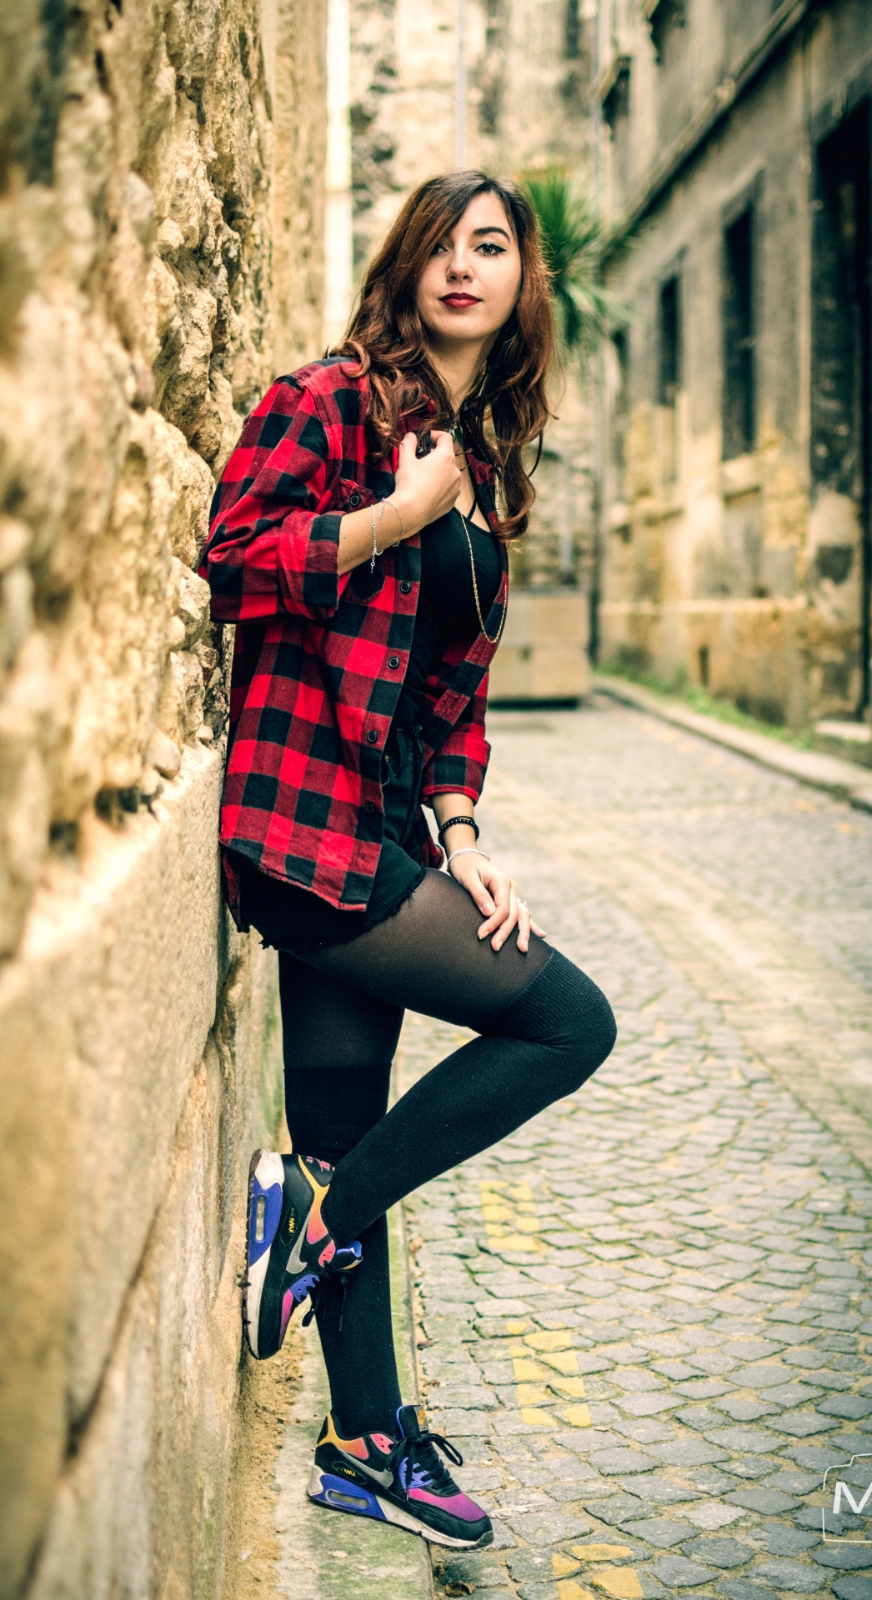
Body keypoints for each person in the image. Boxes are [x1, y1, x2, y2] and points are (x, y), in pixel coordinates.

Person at [201, 170, 616, 1552]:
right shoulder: (327, 403)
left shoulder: (484, 465)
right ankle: (319, 1214)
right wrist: (393, 511)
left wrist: (464, 837)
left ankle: (363, 1442)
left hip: (383, 830)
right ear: (404, 266)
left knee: (344, 1127)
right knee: (567, 1023)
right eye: (439, 242)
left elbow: (453, 694)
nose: (461, 264)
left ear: (520, 283)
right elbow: (234, 562)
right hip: (300, 822)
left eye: (490, 245)